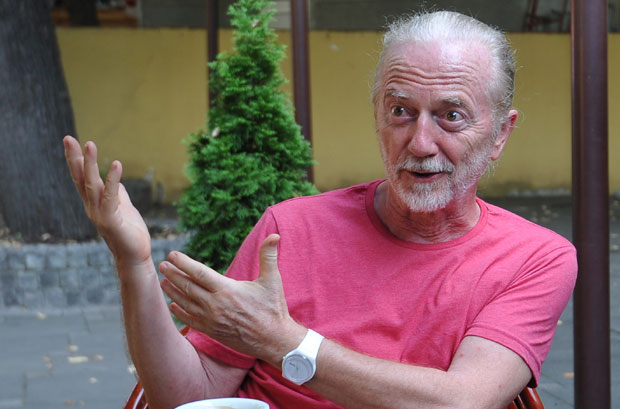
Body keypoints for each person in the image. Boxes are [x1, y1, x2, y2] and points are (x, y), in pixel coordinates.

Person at [63, 10, 577, 409]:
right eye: (401, 111)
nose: (421, 142)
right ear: (377, 114)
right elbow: (189, 395)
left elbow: (462, 401)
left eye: (451, 115)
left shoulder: (536, 258)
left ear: (500, 134)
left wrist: (285, 342)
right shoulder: (290, 228)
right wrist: (133, 263)